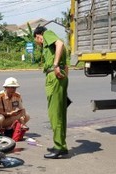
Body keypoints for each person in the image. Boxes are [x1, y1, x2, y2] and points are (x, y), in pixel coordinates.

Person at [33, 26, 69, 159]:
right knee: (60, 113)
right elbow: (66, 65)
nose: (39, 43)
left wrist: (55, 66)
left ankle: (59, 147)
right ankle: (62, 146)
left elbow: (60, 43)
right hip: (59, 77)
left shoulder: (47, 34)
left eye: (37, 41)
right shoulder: (50, 43)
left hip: (54, 76)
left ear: (38, 36)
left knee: (55, 113)